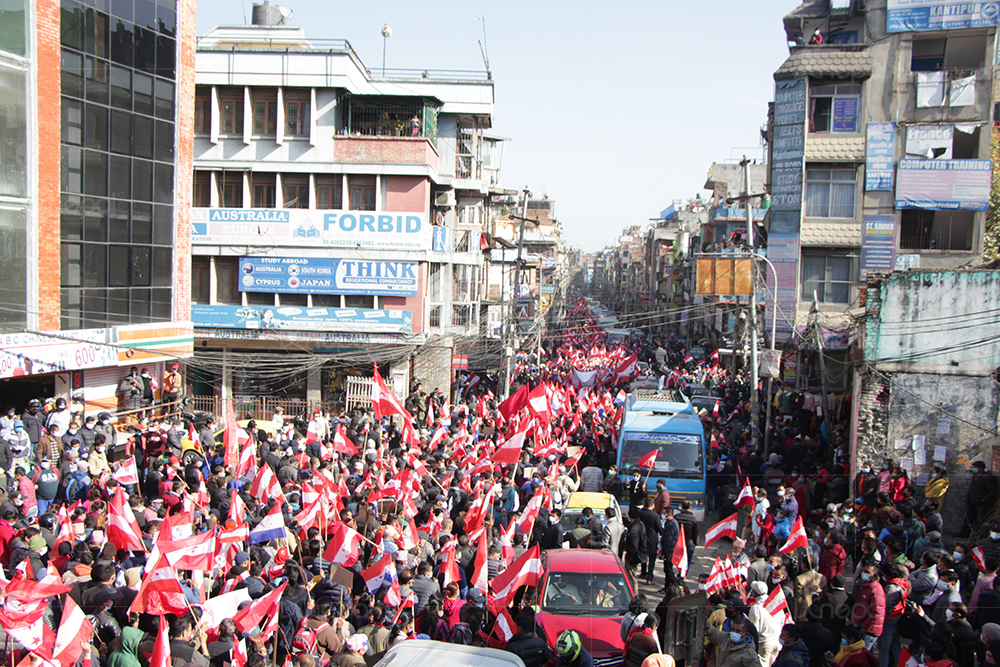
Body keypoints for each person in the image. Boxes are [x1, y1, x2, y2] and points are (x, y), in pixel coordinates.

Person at [850, 557, 885, 650]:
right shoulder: (865, 586)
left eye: (868, 572)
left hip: (868, 631)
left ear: (874, 575)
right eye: (864, 570)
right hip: (862, 627)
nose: (864, 573)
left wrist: (865, 627)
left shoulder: (876, 590)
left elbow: (877, 613)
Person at [965, 461, 999, 537]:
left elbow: (992, 492)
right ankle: (966, 534)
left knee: (980, 520)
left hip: (981, 503)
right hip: (972, 501)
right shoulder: (975, 476)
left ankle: (979, 535)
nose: (974, 469)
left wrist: (984, 500)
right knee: (969, 518)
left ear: (981, 468)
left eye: (976, 468)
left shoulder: (987, 477)